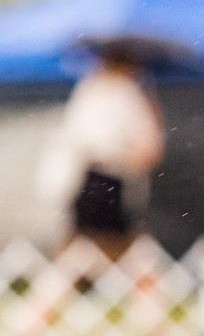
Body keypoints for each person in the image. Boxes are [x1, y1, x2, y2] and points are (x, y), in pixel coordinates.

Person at [37, 41, 166, 260]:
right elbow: (148, 150)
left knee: (80, 246)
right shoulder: (128, 93)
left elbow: (74, 134)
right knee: (122, 247)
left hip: (81, 180)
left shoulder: (88, 89)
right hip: (109, 181)